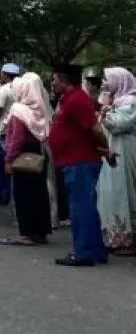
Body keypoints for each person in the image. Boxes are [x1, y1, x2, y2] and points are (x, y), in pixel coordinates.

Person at [48, 63, 110, 267]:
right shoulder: (69, 99)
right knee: (86, 207)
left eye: (54, 80)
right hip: (75, 161)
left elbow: (95, 130)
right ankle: (96, 251)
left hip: (80, 162)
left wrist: (106, 151)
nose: (52, 83)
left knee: (80, 208)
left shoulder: (77, 100)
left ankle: (84, 252)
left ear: (64, 80)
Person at [0, 73, 52, 247]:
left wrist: (9, 159)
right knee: (39, 194)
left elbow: (17, 138)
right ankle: (40, 231)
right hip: (37, 153)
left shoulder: (19, 111)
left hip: (22, 155)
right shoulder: (40, 109)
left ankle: (26, 233)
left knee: (23, 195)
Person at [96, 67, 136, 255]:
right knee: (110, 192)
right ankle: (115, 237)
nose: (105, 84)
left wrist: (105, 112)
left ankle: (128, 240)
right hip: (112, 152)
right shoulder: (116, 102)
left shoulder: (130, 103)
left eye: (108, 80)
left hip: (125, 152)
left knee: (123, 192)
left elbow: (118, 124)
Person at [0, 63, 21, 205]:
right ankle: (8, 194)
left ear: (5, 75)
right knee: (11, 164)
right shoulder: (21, 89)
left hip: (1, 131)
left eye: (1, 74)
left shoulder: (3, 89)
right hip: (15, 131)